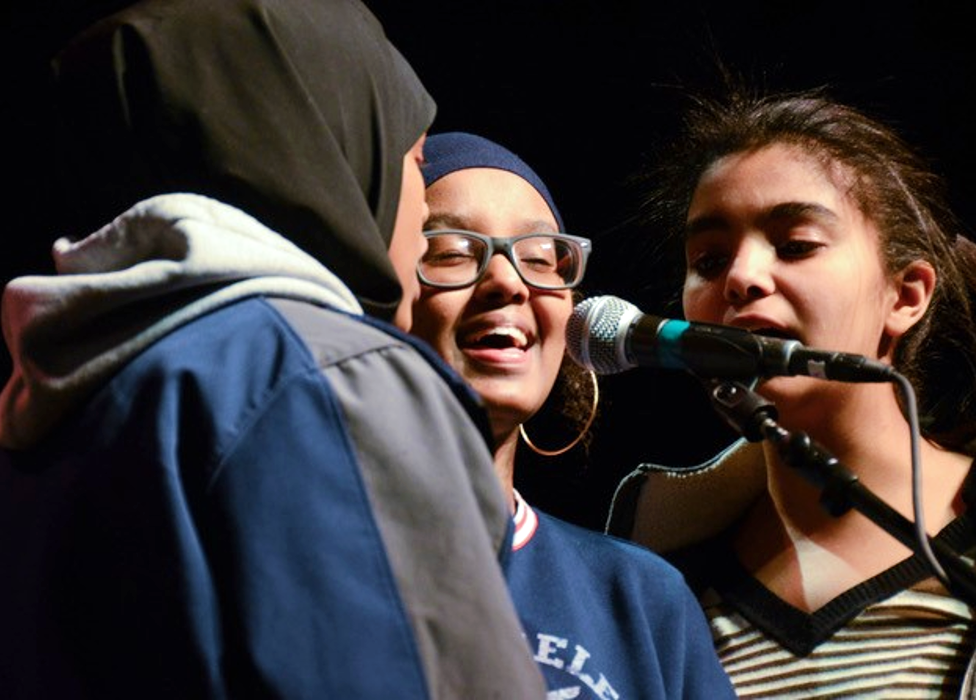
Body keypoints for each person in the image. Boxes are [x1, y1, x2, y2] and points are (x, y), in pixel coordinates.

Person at [0, 2, 548, 698]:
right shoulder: (330, 380)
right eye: (411, 162)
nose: (415, 227)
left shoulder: (60, 404)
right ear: (331, 155)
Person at [606, 85, 976, 696]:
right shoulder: (659, 565)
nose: (742, 279)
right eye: (708, 259)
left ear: (906, 295)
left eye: (796, 245)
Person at [410, 131, 737, 699]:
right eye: (453, 250)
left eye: (540, 259)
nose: (508, 282)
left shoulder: (638, 598)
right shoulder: (300, 560)